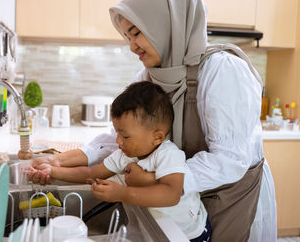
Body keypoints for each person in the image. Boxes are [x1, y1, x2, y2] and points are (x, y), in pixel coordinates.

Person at [28, 0, 277, 242]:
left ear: (167, 26)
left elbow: (229, 160)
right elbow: (121, 137)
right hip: (183, 203)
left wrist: (153, 179)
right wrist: (59, 162)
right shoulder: (151, 74)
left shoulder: (223, 71)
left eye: (136, 33)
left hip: (230, 197)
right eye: (127, 37)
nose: (132, 46)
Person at [27, 81, 211, 241]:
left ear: (157, 137)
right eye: (117, 133)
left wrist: (122, 193)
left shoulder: (168, 155)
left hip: (189, 234)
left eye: (125, 135)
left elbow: (171, 194)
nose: (117, 141)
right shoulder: (125, 154)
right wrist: (52, 171)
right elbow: (91, 173)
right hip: (156, 224)